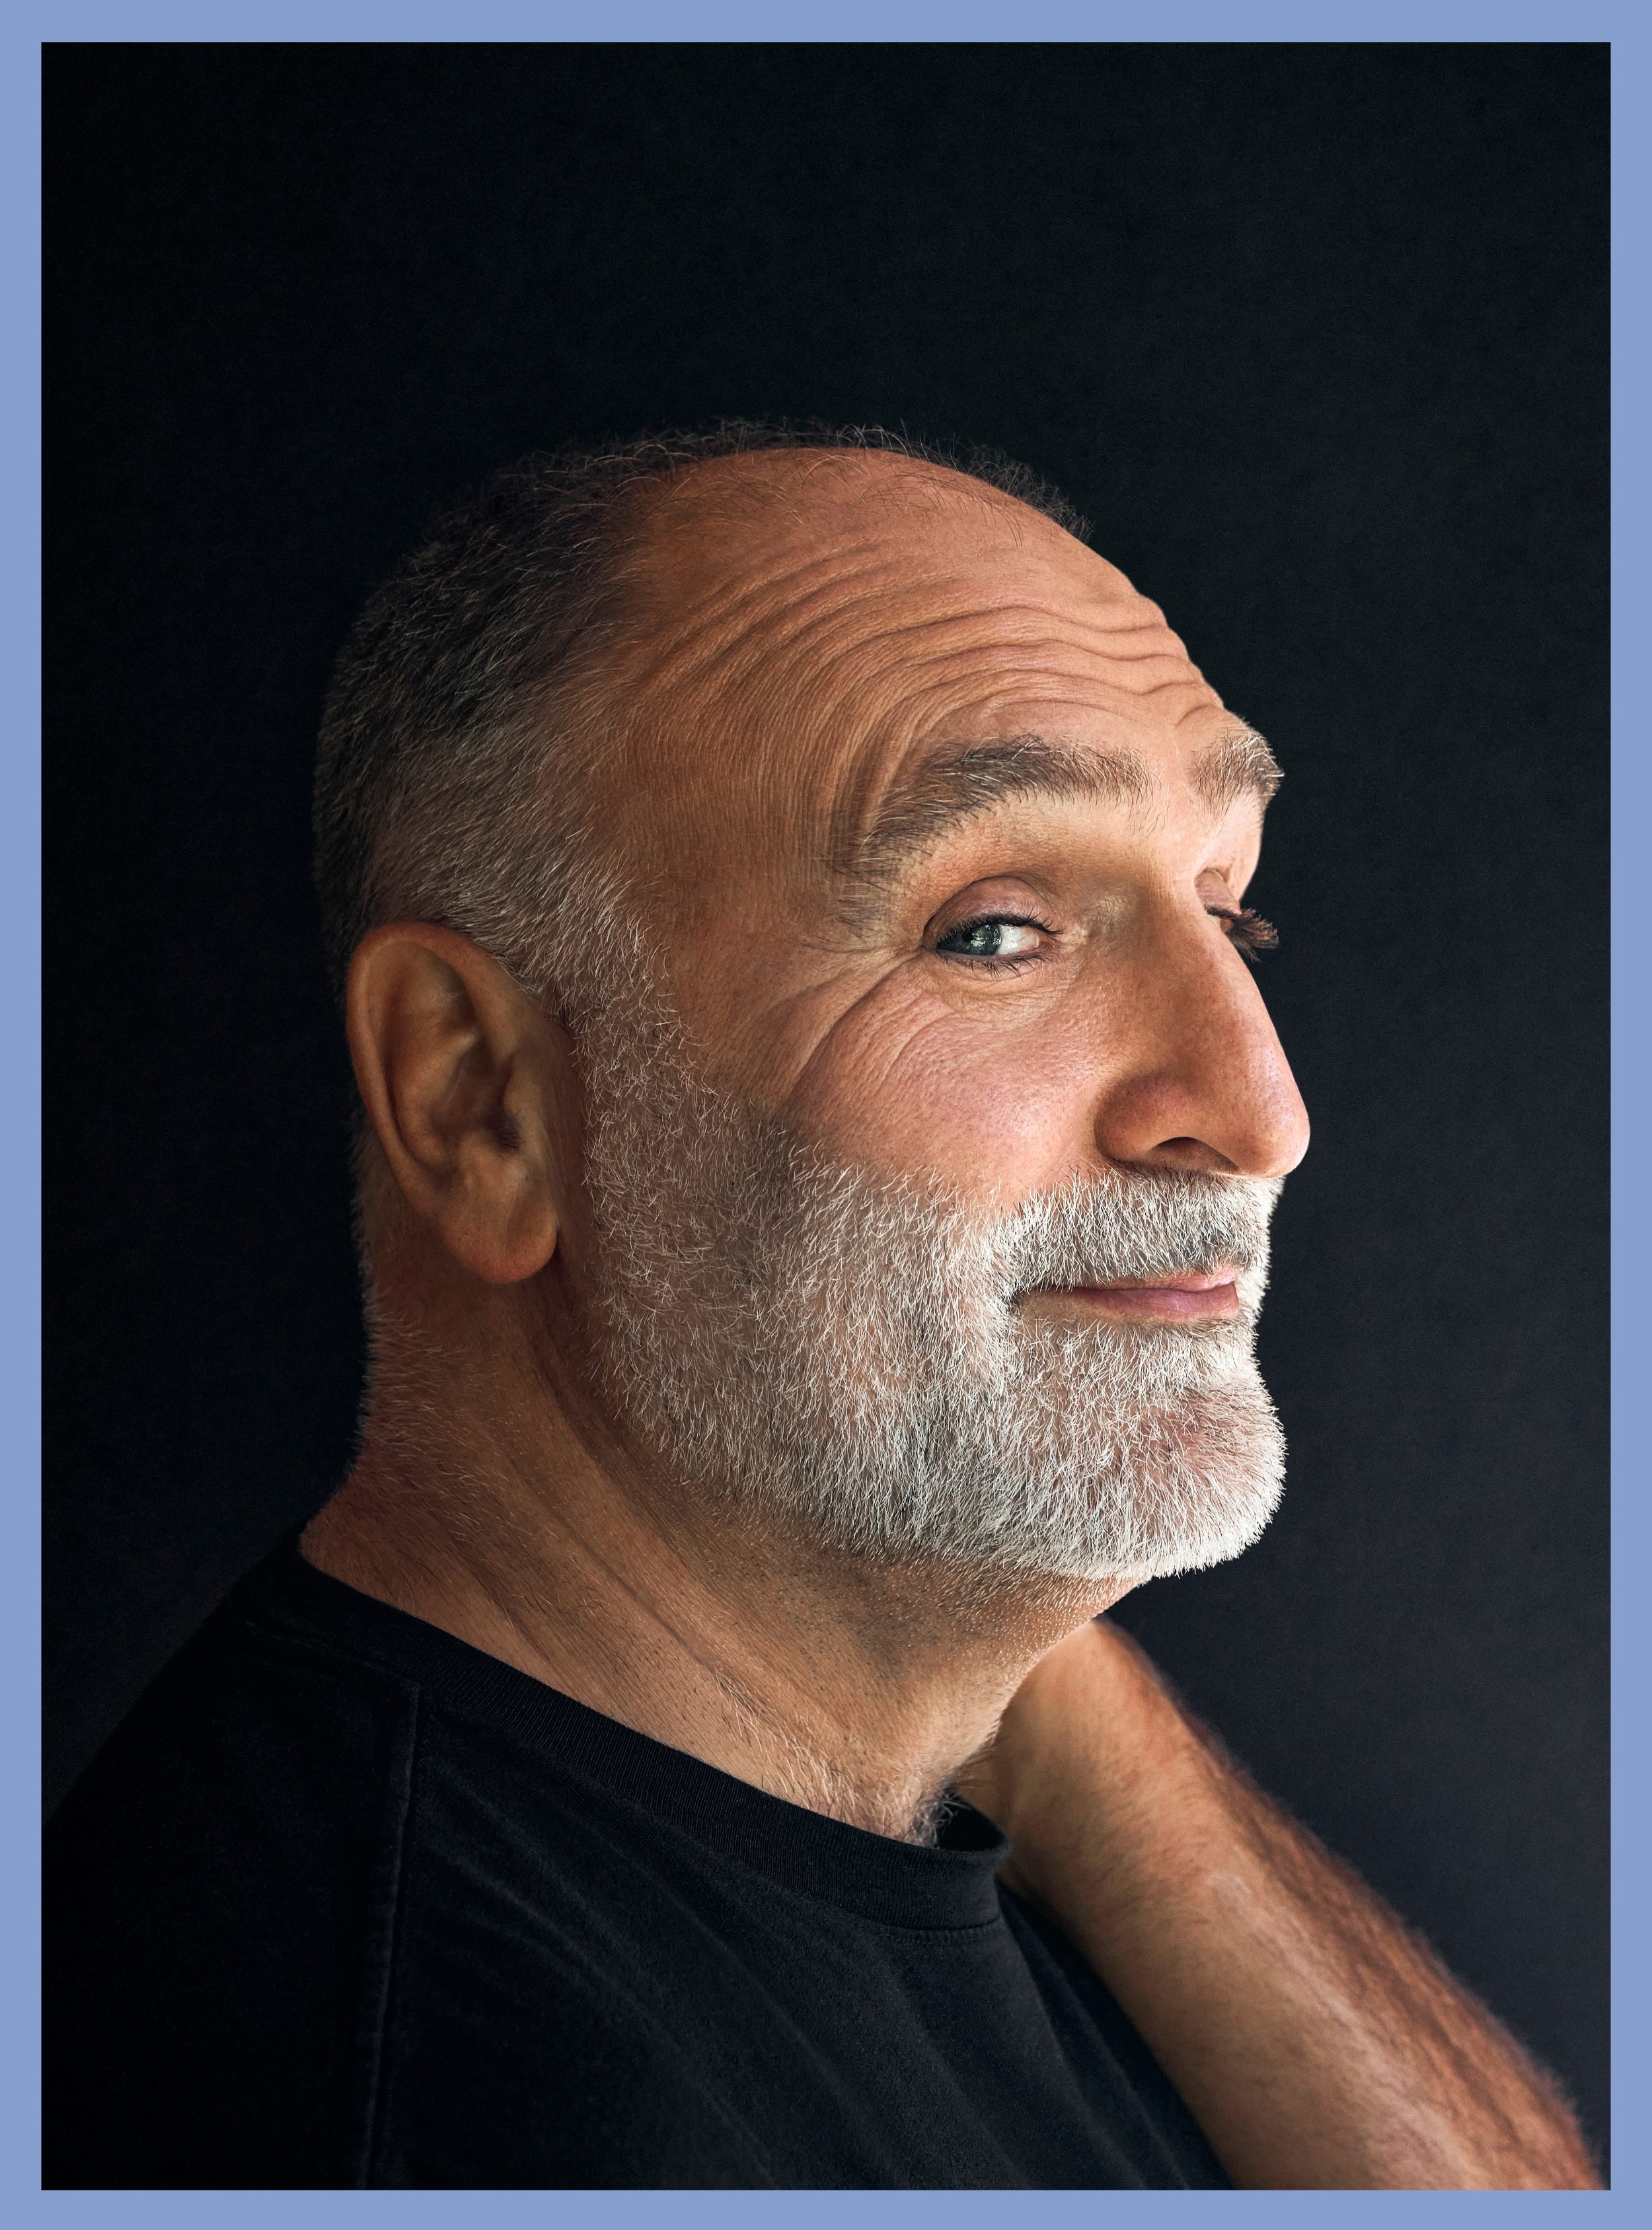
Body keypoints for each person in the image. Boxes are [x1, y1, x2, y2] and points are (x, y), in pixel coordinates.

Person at [43, 426, 1598, 2191]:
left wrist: (1018, 1669)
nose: (1260, 1112)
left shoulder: (888, 1788)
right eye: (994, 930)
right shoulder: (423, 2112)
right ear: (481, 1102)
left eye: (1226, 911)